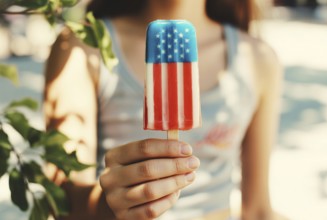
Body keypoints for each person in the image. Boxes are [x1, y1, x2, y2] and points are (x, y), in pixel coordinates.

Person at [44, 0, 284, 219]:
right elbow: (62, 202)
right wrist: (108, 205)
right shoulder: (82, 47)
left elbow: (258, 209)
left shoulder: (259, 59)